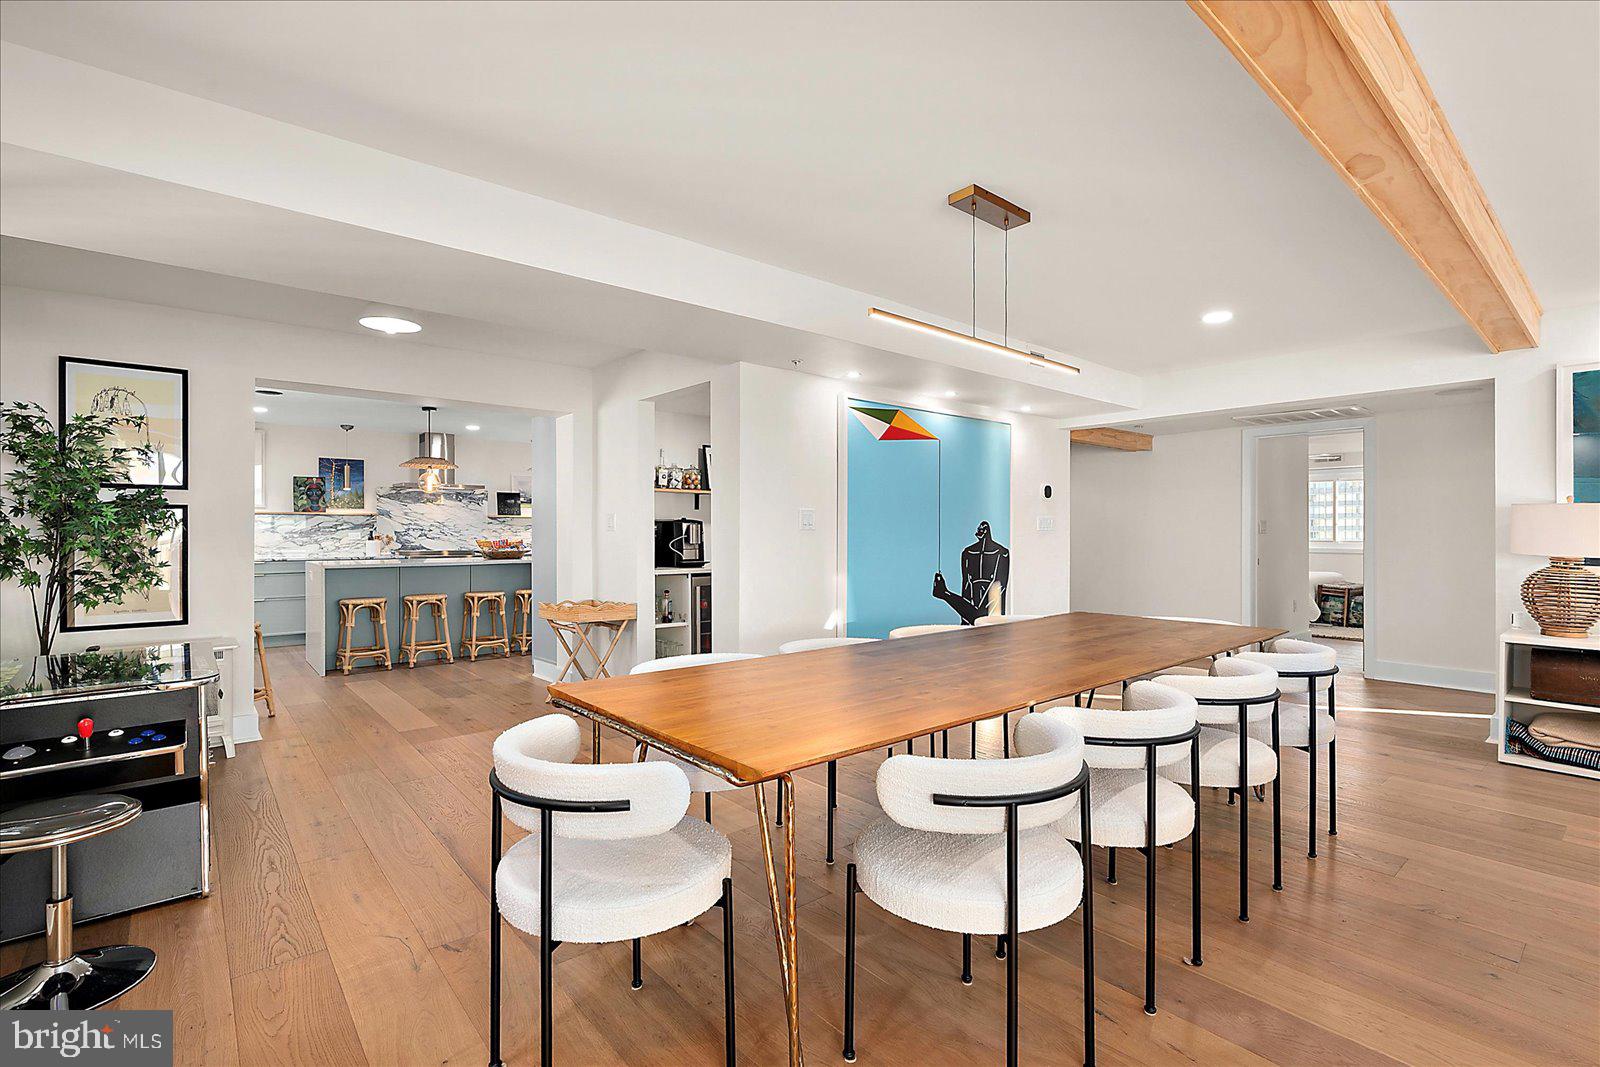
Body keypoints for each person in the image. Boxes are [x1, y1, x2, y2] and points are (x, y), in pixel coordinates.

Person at [931, 520, 1009, 624]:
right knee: (978, 621)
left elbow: (999, 584)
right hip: (974, 597)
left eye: (983, 529)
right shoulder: (968, 552)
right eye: (979, 529)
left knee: (984, 620)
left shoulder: (1001, 552)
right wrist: (964, 620)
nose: (980, 531)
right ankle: (945, 594)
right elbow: (966, 585)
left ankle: (945, 594)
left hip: (993, 601)